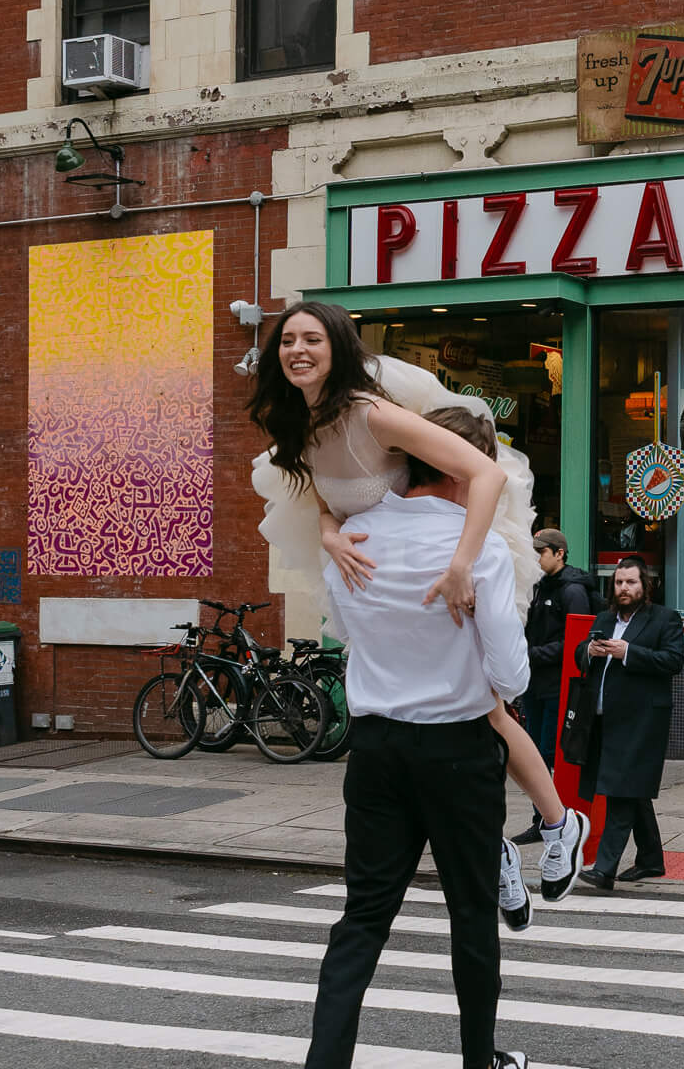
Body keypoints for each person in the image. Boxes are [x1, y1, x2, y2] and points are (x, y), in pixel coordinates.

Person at [249, 301, 587, 906]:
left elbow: (483, 475)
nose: (298, 350)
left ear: (338, 347)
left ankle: (552, 825)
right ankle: (512, 842)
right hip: (385, 566)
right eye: (287, 339)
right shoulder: (300, 422)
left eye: (312, 339)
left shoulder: (376, 417)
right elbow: (318, 494)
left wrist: (462, 563)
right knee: (452, 726)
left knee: (486, 709)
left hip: (446, 549)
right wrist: (328, 533)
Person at [285, 407, 534, 1069]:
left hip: (376, 747)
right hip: (457, 747)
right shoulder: (478, 551)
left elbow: (342, 630)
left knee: (362, 916)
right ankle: (479, 1068)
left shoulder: (351, 538)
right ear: (462, 469)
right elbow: (511, 674)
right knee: (470, 912)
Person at [573, 557, 684, 891]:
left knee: (621, 792)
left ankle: (604, 870)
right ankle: (651, 859)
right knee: (632, 789)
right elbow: (579, 654)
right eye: (619, 582)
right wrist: (589, 651)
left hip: (642, 720)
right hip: (603, 719)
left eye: (631, 582)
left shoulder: (665, 618)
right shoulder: (604, 618)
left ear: (644, 585)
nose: (624, 588)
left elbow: (673, 661)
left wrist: (628, 653)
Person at [512, 529, 594, 845]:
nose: (535, 558)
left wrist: (531, 654)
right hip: (534, 684)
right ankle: (544, 819)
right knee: (534, 752)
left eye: (541, 552)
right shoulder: (538, 586)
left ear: (559, 553)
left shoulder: (573, 591)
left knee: (549, 753)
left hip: (559, 686)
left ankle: (554, 819)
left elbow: (576, 641)